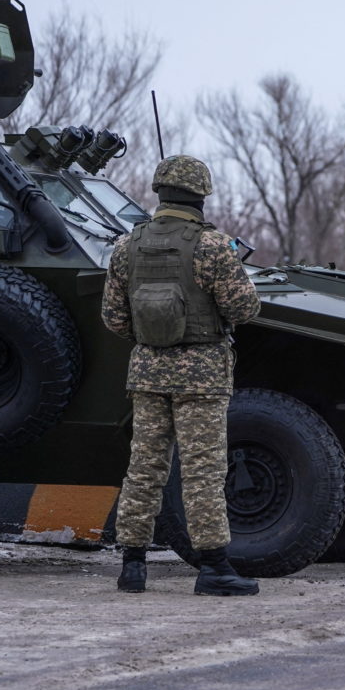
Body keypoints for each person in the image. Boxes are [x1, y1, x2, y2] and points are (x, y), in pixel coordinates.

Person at [101, 155, 261, 595]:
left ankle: (132, 567)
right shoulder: (214, 247)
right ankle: (213, 569)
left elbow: (113, 318)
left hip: (148, 373)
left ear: (160, 193)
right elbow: (244, 308)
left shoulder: (127, 246)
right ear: (201, 195)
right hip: (202, 377)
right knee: (202, 472)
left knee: (144, 468)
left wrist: (151, 336)